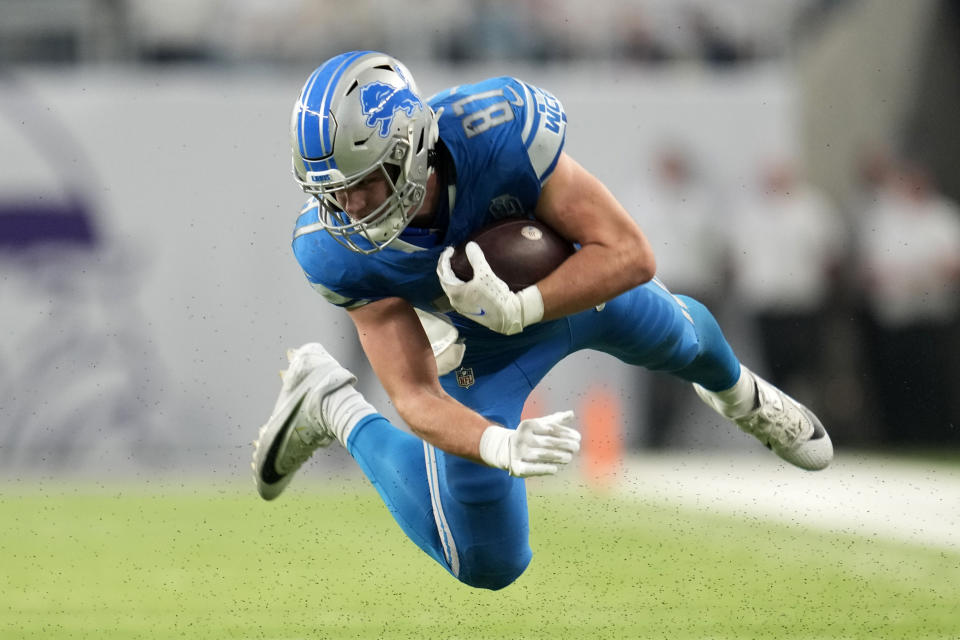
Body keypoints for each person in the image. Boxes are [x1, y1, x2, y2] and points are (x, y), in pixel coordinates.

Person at [252, 50, 833, 591]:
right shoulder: (330, 249)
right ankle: (333, 405)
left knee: (681, 339)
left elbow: (631, 253)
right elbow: (413, 394)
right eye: (334, 192)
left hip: (566, 290)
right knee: (488, 564)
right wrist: (496, 444)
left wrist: (526, 306)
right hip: (477, 350)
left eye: (363, 183)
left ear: (411, 147)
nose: (349, 208)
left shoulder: (497, 130)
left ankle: (742, 395)